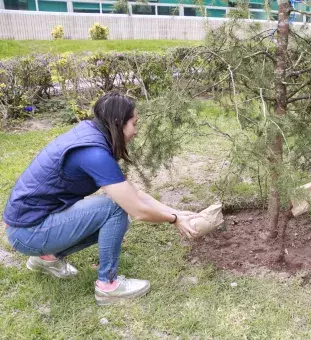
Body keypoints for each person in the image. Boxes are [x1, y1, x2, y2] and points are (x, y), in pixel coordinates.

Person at [3, 92, 198, 306]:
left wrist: (176, 212)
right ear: (118, 123)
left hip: (27, 226)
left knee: (116, 213)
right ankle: (108, 287)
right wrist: (173, 220)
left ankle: (46, 259)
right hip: (27, 232)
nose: (136, 130)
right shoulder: (94, 153)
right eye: (134, 123)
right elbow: (137, 210)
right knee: (114, 210)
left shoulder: (92, 134)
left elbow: (133, 193)